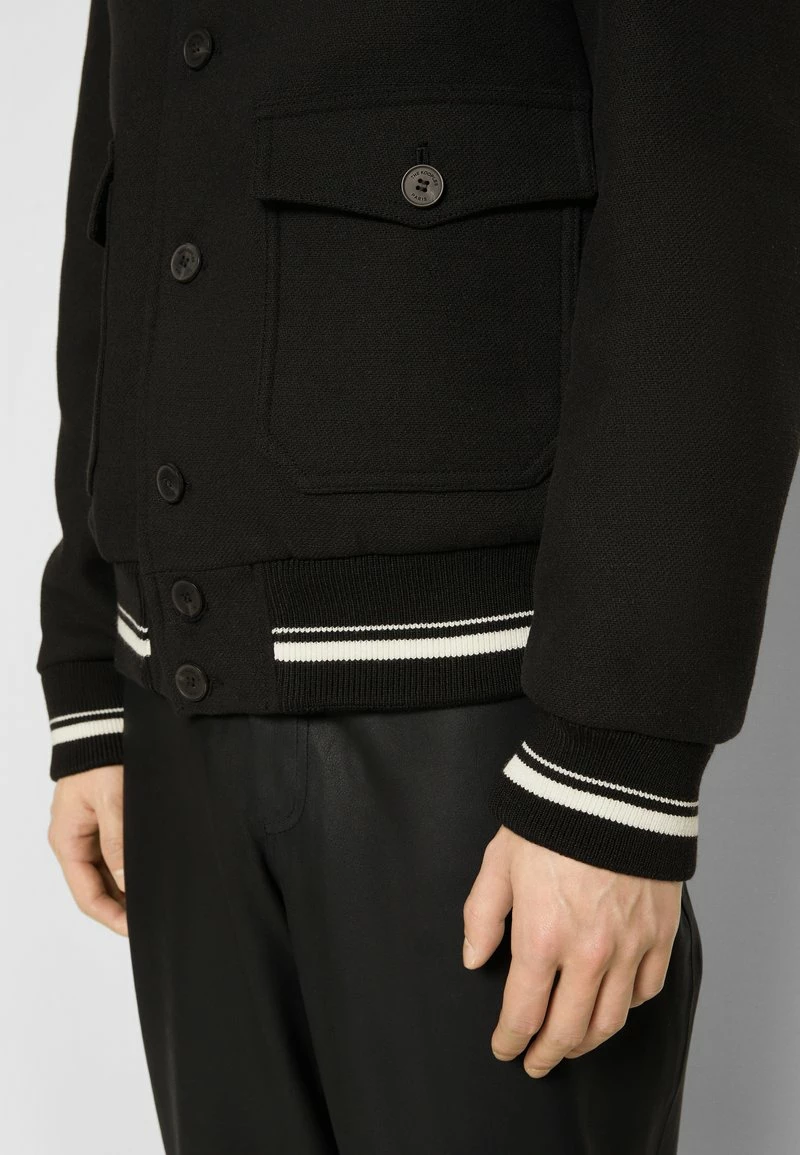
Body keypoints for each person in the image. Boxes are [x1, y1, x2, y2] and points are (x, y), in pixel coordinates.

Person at [39, 3, 799, 1153]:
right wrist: (91, 660)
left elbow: (709, 194)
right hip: (176, 707)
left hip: (494, 742)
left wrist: (613, 767)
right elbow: (127, 155)